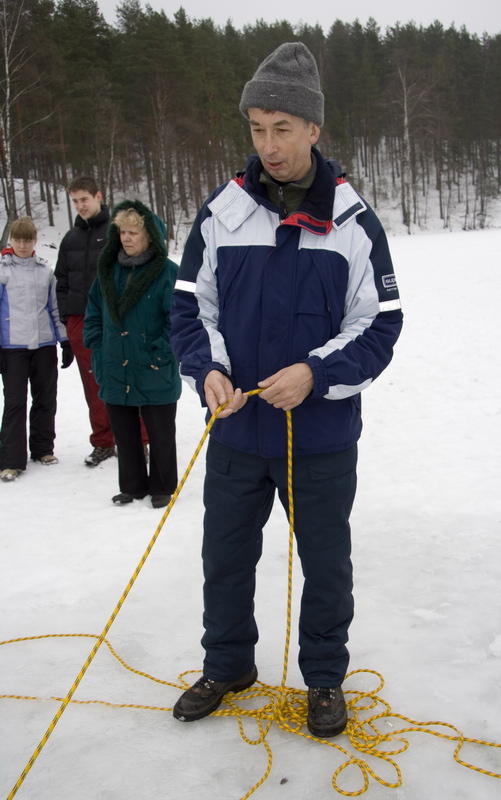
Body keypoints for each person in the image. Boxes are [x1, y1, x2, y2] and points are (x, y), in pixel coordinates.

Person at [170, 42, 403, 737]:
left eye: (281, 128)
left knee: (325, 566)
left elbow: (381, 325)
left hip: (320, 440)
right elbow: (188, 306)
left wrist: (316, 374)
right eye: (256, 128)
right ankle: (228, 663)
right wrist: (206, 369)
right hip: (238, 432)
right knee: (225, 556)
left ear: (313, 130)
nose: (268, 145)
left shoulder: (354, 222)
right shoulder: (223, 210)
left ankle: (324, 679)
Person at [83, 200, 181, 509]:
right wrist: (98, 347)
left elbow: (178, 318)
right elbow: (93, 313)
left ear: (150, 234)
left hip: (154, 363)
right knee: (124, 432)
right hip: (115, 363)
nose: (127, 238)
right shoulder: (108, 272)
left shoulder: (168, 272)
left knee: (161, 433)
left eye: (134, 232)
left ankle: (163, 486)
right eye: (123, 232)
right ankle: (132, 485)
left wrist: (162, 350)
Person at [55, 176, 147, 466]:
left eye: (84, 199)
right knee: (93, 383)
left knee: (127, 378)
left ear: (98, 196)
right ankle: (103, 441)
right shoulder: (70, 238)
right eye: (75, 201)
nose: (80, 205)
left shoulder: (116, 232)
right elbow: (62, 281)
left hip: (115, 319)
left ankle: (139, 440)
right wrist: (66, 322)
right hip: (80, 320)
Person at [0, 216, 73, 481]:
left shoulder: (45, 271)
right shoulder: (2, 270)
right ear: (11, 240)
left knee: (45, 399)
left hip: (43, 345)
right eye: (18, 239)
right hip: (13, 347)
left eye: (27, 239)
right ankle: (10, 460)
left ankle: (43, 448)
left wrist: (64, 341)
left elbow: (55, 308)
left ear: (35, 241)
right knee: (15, 402)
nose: (22, 244)